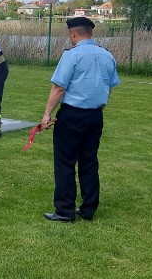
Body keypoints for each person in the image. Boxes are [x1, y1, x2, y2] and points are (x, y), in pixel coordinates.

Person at [40, 17, 119, 222]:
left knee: (65, 162)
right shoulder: (107, 56)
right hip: (95, 115)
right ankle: (88, 208)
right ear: (90, 33)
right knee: (89, 161)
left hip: (72, 115)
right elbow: (109, 86)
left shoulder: (71, 56)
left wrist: (47, 113)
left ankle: (64, 210)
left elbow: (59, 87)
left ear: (73, 33)